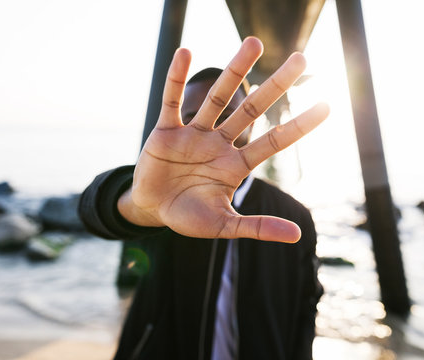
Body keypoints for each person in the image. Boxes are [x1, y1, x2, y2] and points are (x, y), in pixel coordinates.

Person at [79, 37, 328, 360]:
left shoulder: (292, 215)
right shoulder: (165, 199)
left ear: (250, 119)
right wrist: (140, 206)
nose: (215, 128)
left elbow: (306, 304)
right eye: (196, 117)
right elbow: (93, 211)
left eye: (230, 113)